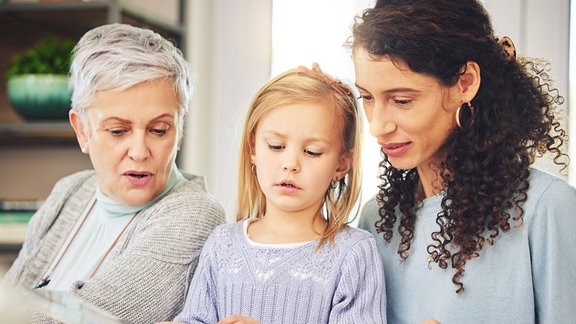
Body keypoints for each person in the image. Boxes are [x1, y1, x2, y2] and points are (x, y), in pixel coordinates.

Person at [350, 0, 576, 323]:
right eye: (367, 98)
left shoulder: (548, 210)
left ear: (465, 83)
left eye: (401, 100)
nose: (377, 126)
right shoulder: (377, 219)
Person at [2, 23, 226, 323]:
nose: (139, 151)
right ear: (81, 129)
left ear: (180, 127)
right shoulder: (70, 190)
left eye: (159, 130)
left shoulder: (195, 215)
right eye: (118, 131)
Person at [169, 63, 386, 323]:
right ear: (253, 149)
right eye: (276, 146)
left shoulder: (353, 253)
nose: (290, 164)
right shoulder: (221, 244)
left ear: (341, 164)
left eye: (312, 151)